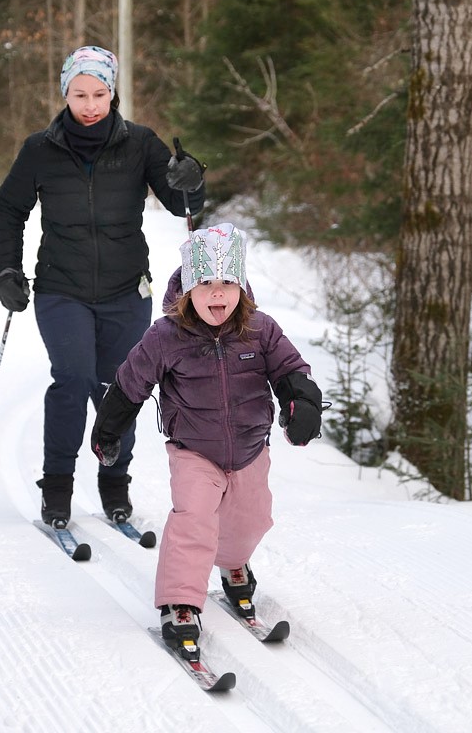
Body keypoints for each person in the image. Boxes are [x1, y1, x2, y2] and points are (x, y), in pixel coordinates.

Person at [0, 45, 205, 527]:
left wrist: (191, 181)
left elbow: (181, 204)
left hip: (126, 290)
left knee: (119, 388)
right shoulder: (39, 149)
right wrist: (7, 270)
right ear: (65, 93)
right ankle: (59, 487)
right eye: (79, 93)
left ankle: (114, 484)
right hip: (60, 287)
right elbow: (10, 210)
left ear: (113, 93)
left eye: (99, 93)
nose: (90, 104)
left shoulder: (140, 143)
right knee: (72, 379)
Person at [90, 222, 323, 660]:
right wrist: (109, 429)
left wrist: (301, 404)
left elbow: (293, 370)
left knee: (249, 521)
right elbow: (130, 383)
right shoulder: (165, 336)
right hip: (193, 449)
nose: (218, 294)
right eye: (206, 284)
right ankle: (180, 602)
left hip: (251, 447)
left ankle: (234, 563)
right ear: (187, 290)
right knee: (193, 520)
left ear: (242, 286)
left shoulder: (261, 329)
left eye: (228, 283)